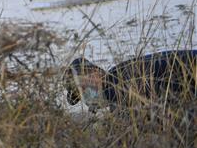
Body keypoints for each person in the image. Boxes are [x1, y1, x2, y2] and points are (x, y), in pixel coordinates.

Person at [65, 50, 197, 112]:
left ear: (97, 73)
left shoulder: (117, 87)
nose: (85, 95)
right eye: (80, 94)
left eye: (83, 87)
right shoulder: (118, 74)